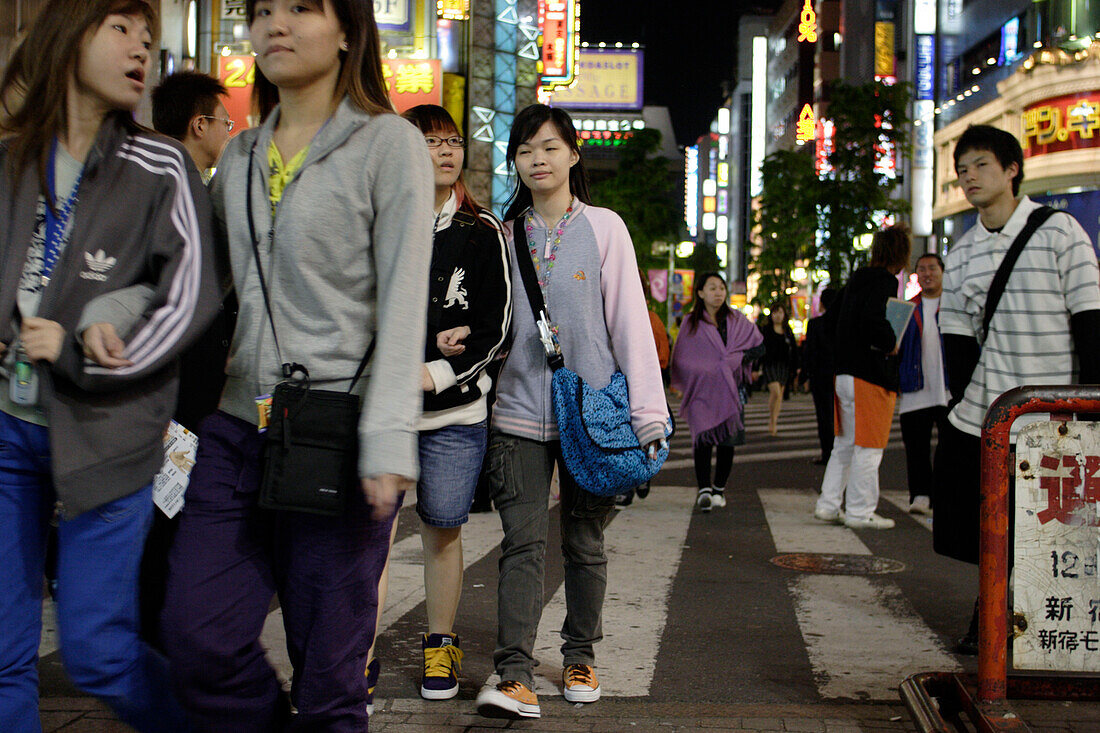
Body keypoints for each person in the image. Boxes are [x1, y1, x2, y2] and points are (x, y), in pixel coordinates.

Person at [159, 0, 434, 730]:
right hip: (235, 430)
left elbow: (405, 298)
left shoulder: (387, 144)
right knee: (195, 635)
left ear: (347, 30)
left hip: (336, 438)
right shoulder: (244, 155)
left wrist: (386, 440)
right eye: (261, 10)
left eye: (300, 8)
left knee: (330, 678)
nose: (275, 24)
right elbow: (194, 283)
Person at [0, 1, 221, 730]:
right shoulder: (12, 157)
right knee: (3, 656)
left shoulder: (159, 164)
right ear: (69, 37)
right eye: (121, 30)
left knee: (97, 651)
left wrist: (83, 347)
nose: (141, 50)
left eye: (149, 38)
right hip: (8, 432)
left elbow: (192, 295)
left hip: (110, 431)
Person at [475, 104, 668, 719]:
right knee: (522, 545)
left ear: (573, 155)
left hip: (592, 416)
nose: (538, 158)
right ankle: (514, 673)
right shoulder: (502, 236)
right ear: (515, 160)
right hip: (517, 414)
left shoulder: (605, 228)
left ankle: (580, 654)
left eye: (550, 147)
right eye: (526, 149)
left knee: (584, 544)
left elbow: (630, 326)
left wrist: (648, 417)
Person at [934, 124, 1100, 654]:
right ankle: (992, 612)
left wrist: (1089, 407)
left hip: (1054, 414)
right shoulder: (960, 255)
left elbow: (1090, 321)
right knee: (986, 524)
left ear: (1011, 170)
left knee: (1053, 530)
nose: (969, 177)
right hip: (988, 415)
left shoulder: (1061, 232)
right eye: (962, 170)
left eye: (981, 164)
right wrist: (963, 405)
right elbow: (956, 343)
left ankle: (1045, 628)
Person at [399, 103, 511, 701]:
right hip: (385, 409)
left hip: (456, 412)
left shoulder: (482, 230)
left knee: (443, 528)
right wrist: (424, 344)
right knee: (368, 533)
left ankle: (440, 646)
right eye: (431, 141)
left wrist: (440, 368)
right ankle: (357, 650)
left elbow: (496, 326)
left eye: (452, 141)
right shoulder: (385, 221)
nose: (446, 150)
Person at [813, 225, 910, 531]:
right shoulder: (885, 282)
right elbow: (874, 322)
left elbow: (827, 323)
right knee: (869, 447)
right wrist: (889, 341)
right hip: (869, 375)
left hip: (843, 374)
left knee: (844, 444)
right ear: (901, 253)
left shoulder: (857, 278)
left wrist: (845, 350)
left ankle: (828, 505)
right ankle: (859, 511)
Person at [671, 272, 763, 513]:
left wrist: (739, 358)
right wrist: (701, 371)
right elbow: (681, 358)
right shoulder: (691, 322)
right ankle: (704, 489)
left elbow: (759, 346)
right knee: (702, 437)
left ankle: (719, 489)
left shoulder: (737, 320)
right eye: (712, 288)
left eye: (721, 288)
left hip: (731, 389)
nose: (718, 292)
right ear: (700, 292)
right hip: (702, 390)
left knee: (727, 440)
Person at [897, 253, 949, 516]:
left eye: (932, 268)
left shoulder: (954, 305)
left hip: (949, 390)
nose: (927, 274)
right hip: (914, 388)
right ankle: (920, 494)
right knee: (916, 445)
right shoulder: (906, 308)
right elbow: (893, 347)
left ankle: (944, 494)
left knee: (950, 446)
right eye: (922, 269)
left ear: (942, 271)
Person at [150, 70, 234, 176]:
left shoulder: (156, 179)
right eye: (226, 123)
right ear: (200, 125)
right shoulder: (191, 187)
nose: (229, 136)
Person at [799, 287, 838, 465]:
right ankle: (841, 452)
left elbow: (810, 352)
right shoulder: (844, 324)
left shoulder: (815, 324)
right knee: (842, 414)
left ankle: (827, 452)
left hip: (820, 376)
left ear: (822, 303)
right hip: (841, 375)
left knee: (824, 416)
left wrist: (804, 375)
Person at [756, 301, 798, 436]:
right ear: (771, 314)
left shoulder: (787, 331)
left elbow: (794, 349)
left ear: (784, 314)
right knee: (776, 392)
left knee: (779, 394)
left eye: (780, 312)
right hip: (770, 365)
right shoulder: (766, 330)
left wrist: (797, 367)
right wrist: (756, 368)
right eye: (775, 312)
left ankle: (773, 420)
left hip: (784, 366)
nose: (778, 316)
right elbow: (760, 349)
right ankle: (772, 421)